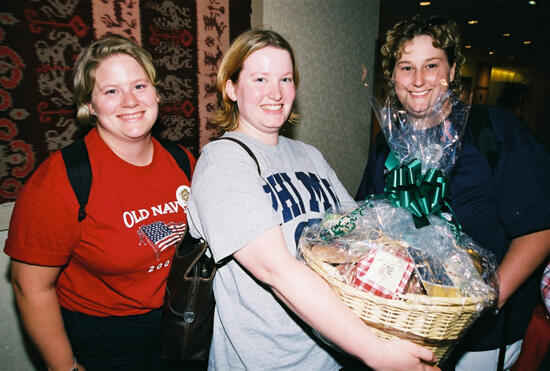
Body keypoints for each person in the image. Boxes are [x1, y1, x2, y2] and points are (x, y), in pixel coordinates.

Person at [186, 29, 439, 371]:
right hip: (266, 363)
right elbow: (277, 270)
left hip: (331, 353)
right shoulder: (222, 162)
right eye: (260, 78)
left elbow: (359, 233)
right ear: (231, 88)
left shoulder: (308, 156)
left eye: (285, 79)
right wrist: (375, 352)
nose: (275, 93)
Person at [355, 15, 550, 371]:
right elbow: (370, 218)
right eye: (405, 67)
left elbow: (538, 231)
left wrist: (480, 306)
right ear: (392, 75)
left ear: (453, 69)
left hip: (481, 340)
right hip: (401, 328)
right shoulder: (386, 142)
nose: (417, 80)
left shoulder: (494, 131)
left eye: (431, 65)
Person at [4, 35, 195, 371]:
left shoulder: (183, 162)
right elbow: (30, 285)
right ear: (89, 106)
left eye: (139, 86)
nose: (130, 101)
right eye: (111, 91)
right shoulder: (62, 179)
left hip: (180, 326)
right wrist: (62, 367)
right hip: (106, 342)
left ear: (156, 93)